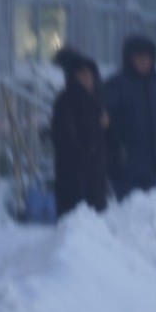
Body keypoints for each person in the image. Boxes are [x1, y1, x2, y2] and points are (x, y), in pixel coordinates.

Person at [104, 35, 156, 201]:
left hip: (152, 163)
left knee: (152, 210)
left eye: (148, 58)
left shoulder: (155, 84)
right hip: (125, 164)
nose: (144, 62)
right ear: (130, 59)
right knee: (130, 211)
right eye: (139, 58)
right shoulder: (117, 85)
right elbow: (103, 118)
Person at [51, 48, 109, 218]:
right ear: (74, 77)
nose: (87, 79)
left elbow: (101, 136)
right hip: (73, 179)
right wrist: (81, 159)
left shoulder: (96, 101)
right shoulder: (66, 101)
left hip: (96, 177)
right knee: (75, 227)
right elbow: (64, 138)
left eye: (89, 75)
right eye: (82, 75)